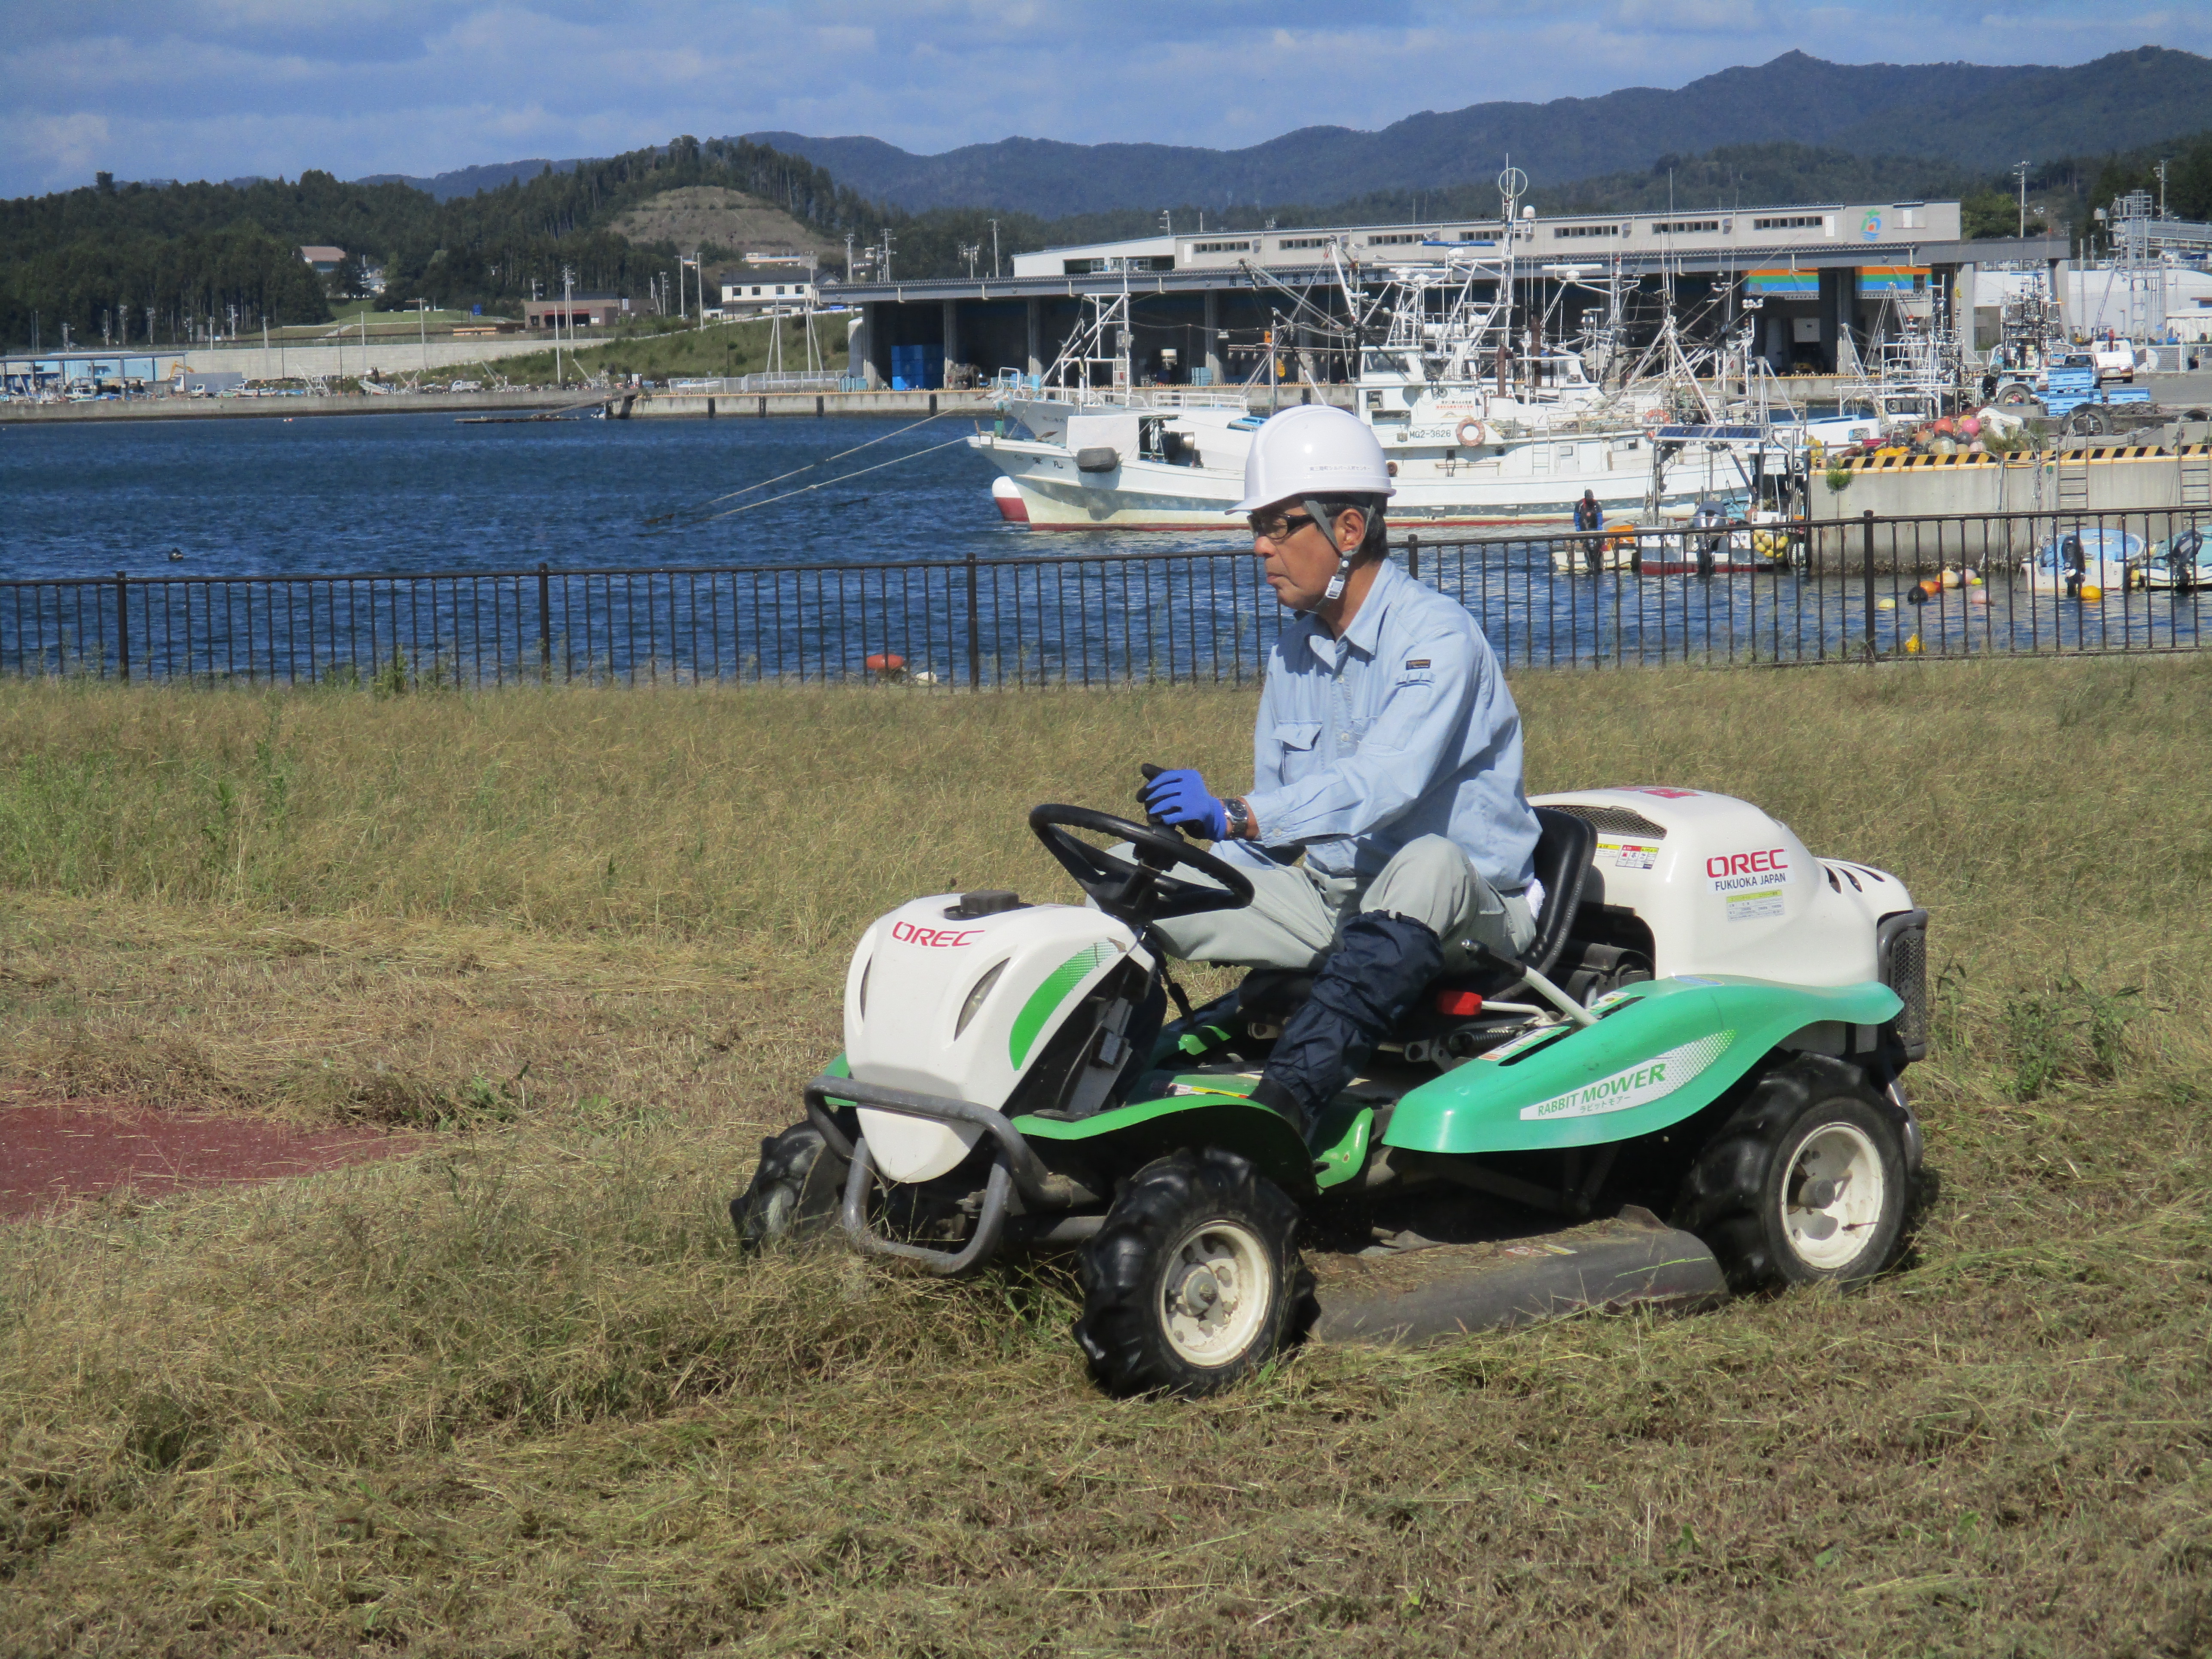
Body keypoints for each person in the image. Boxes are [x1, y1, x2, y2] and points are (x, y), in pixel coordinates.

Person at [1135, 404, 1544, 1139]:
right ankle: (1083, 1077)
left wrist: (1235, 812)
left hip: (1466, 908)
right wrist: (1192, 849)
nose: (1259, 546)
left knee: (1428, 861)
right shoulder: (1293, 649)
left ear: (1348, 530)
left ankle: (1277, 1119)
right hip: (1331, 896)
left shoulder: (1436, 638)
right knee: (1137, 875)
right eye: (1254, 527)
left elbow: (1383, 784)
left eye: (1277, 525)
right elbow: (1270, 834)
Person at [1572, 489, 1603, 576]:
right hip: (1584, 528)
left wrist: (1600, 525)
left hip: (1594, 528)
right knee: (1588, 546)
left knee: (1596, 546)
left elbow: (1599, 515)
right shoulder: (1580, 504)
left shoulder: (1596, 504)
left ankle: (1597, 563)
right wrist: (1578, 526)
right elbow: (1577, 516)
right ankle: (1590, 564)